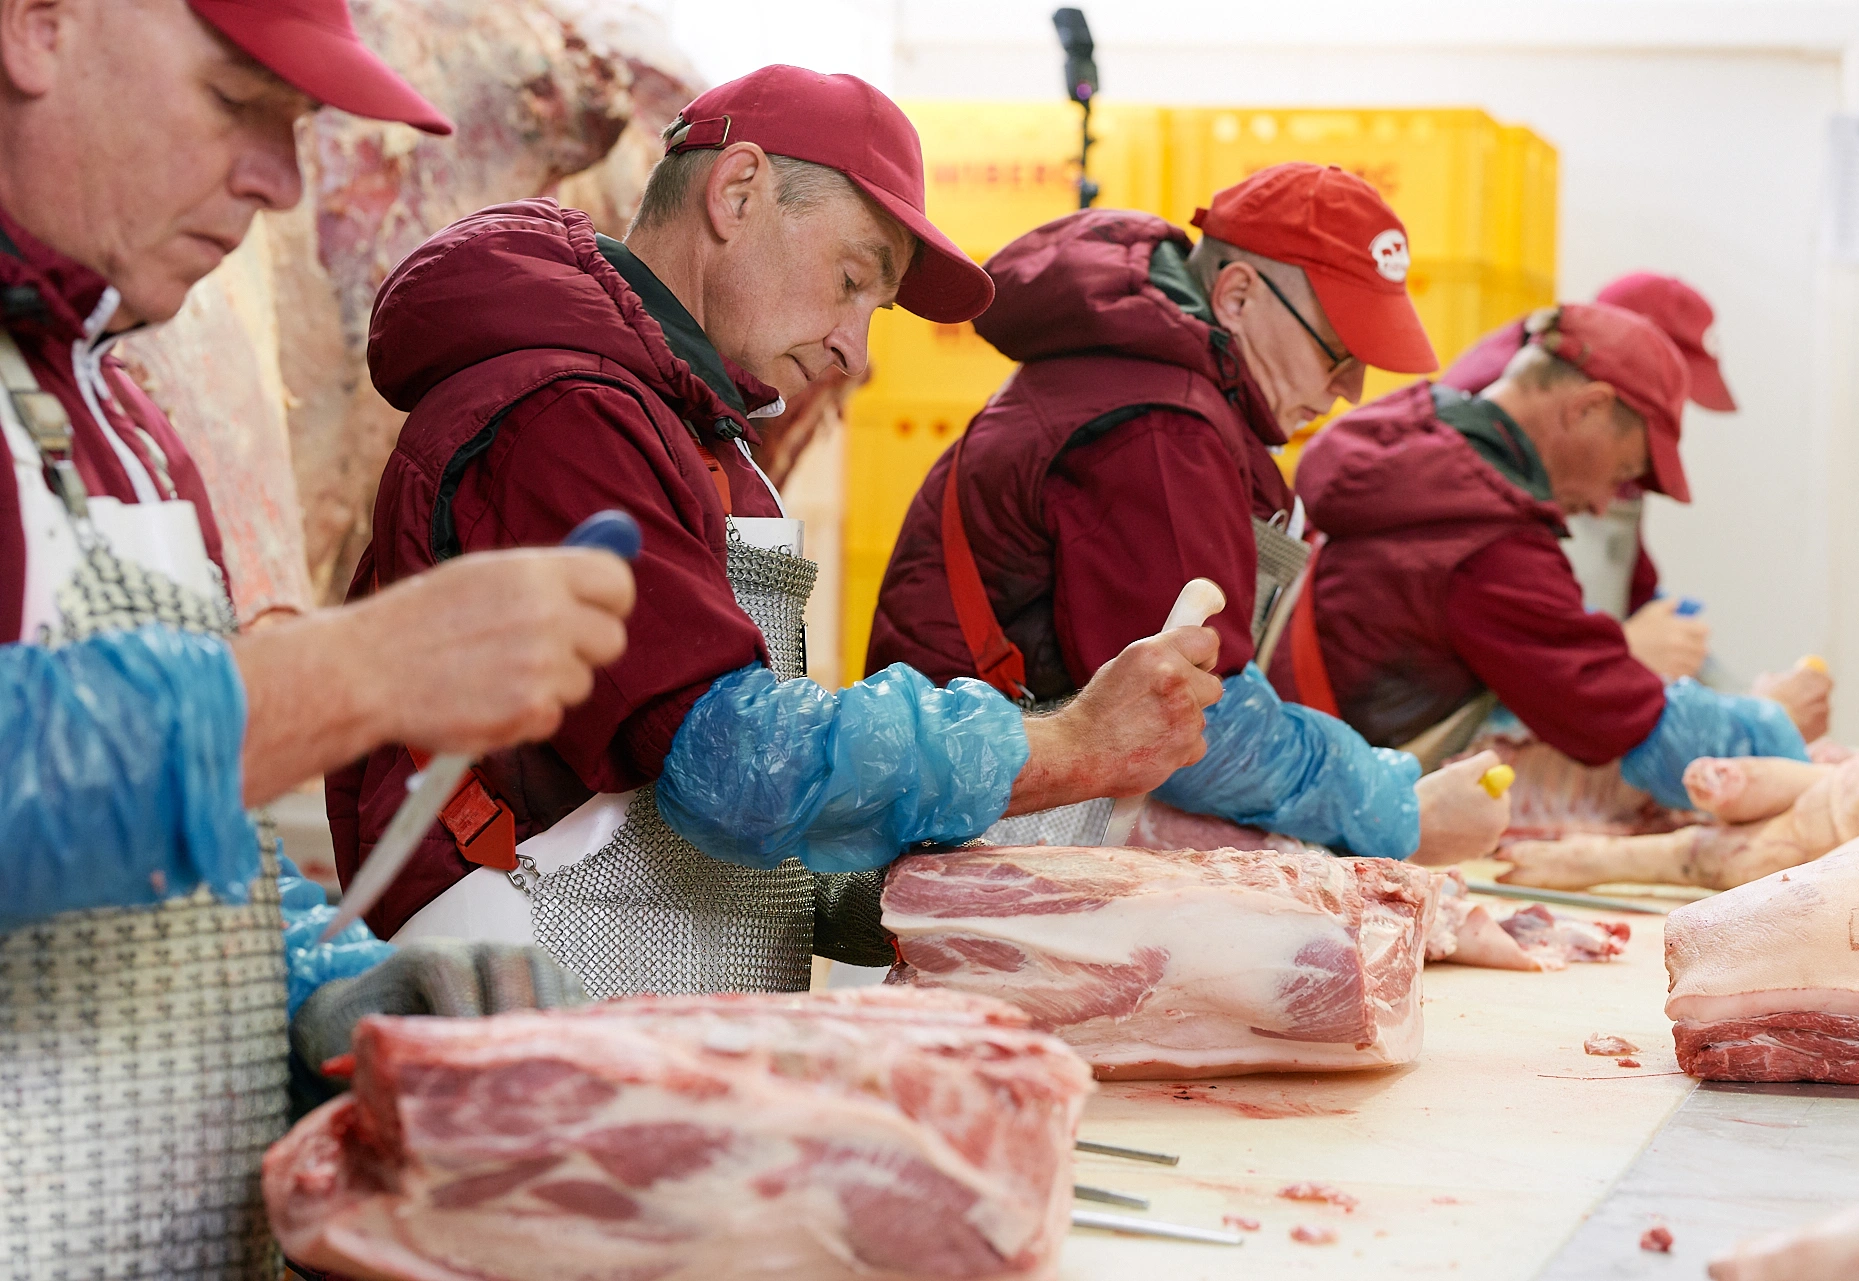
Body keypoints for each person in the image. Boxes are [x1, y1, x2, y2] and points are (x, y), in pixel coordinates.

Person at [329, 64, 1222, 991]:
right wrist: (1071, 743)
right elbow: (738, 764)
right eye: (851, 280)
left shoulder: (695, 432)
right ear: (738, 190)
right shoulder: (562, 413)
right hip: (522, 1001)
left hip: (665, 1022)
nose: (853, 347)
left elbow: (733, 840)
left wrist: (920, 877)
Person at [0, 0, 642, 1271]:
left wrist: (324, 979)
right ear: (41, 24)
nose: (280, 186)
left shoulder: (118, 412)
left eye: (295, 126)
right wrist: (354, 670)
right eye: (241, 103)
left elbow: (191, 857)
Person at [866, 164, 1510, 865]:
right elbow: (1195, 728)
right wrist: (1397, 806)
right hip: (981, 834)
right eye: (1337, 352)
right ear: (1235, 295)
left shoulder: (1148, 378)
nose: (1351, 388)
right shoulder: (1158, 430)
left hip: (990, 804)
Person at [1269, 301, 1809, 812]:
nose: (1601, 505)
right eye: (1620, 475)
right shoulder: (1487, 538)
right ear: (1588, 407)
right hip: (1321, 801)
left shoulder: (1421, 430)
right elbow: (1629, 721)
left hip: (1302, 753)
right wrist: (1768, 734)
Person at [1441, 273, 1830, 737]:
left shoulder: (1596, 444)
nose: (1603, 504)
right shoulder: (1489, 456)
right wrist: (1757, 723)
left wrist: (1732, 691)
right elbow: (1518, 641)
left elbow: (1632, 589)